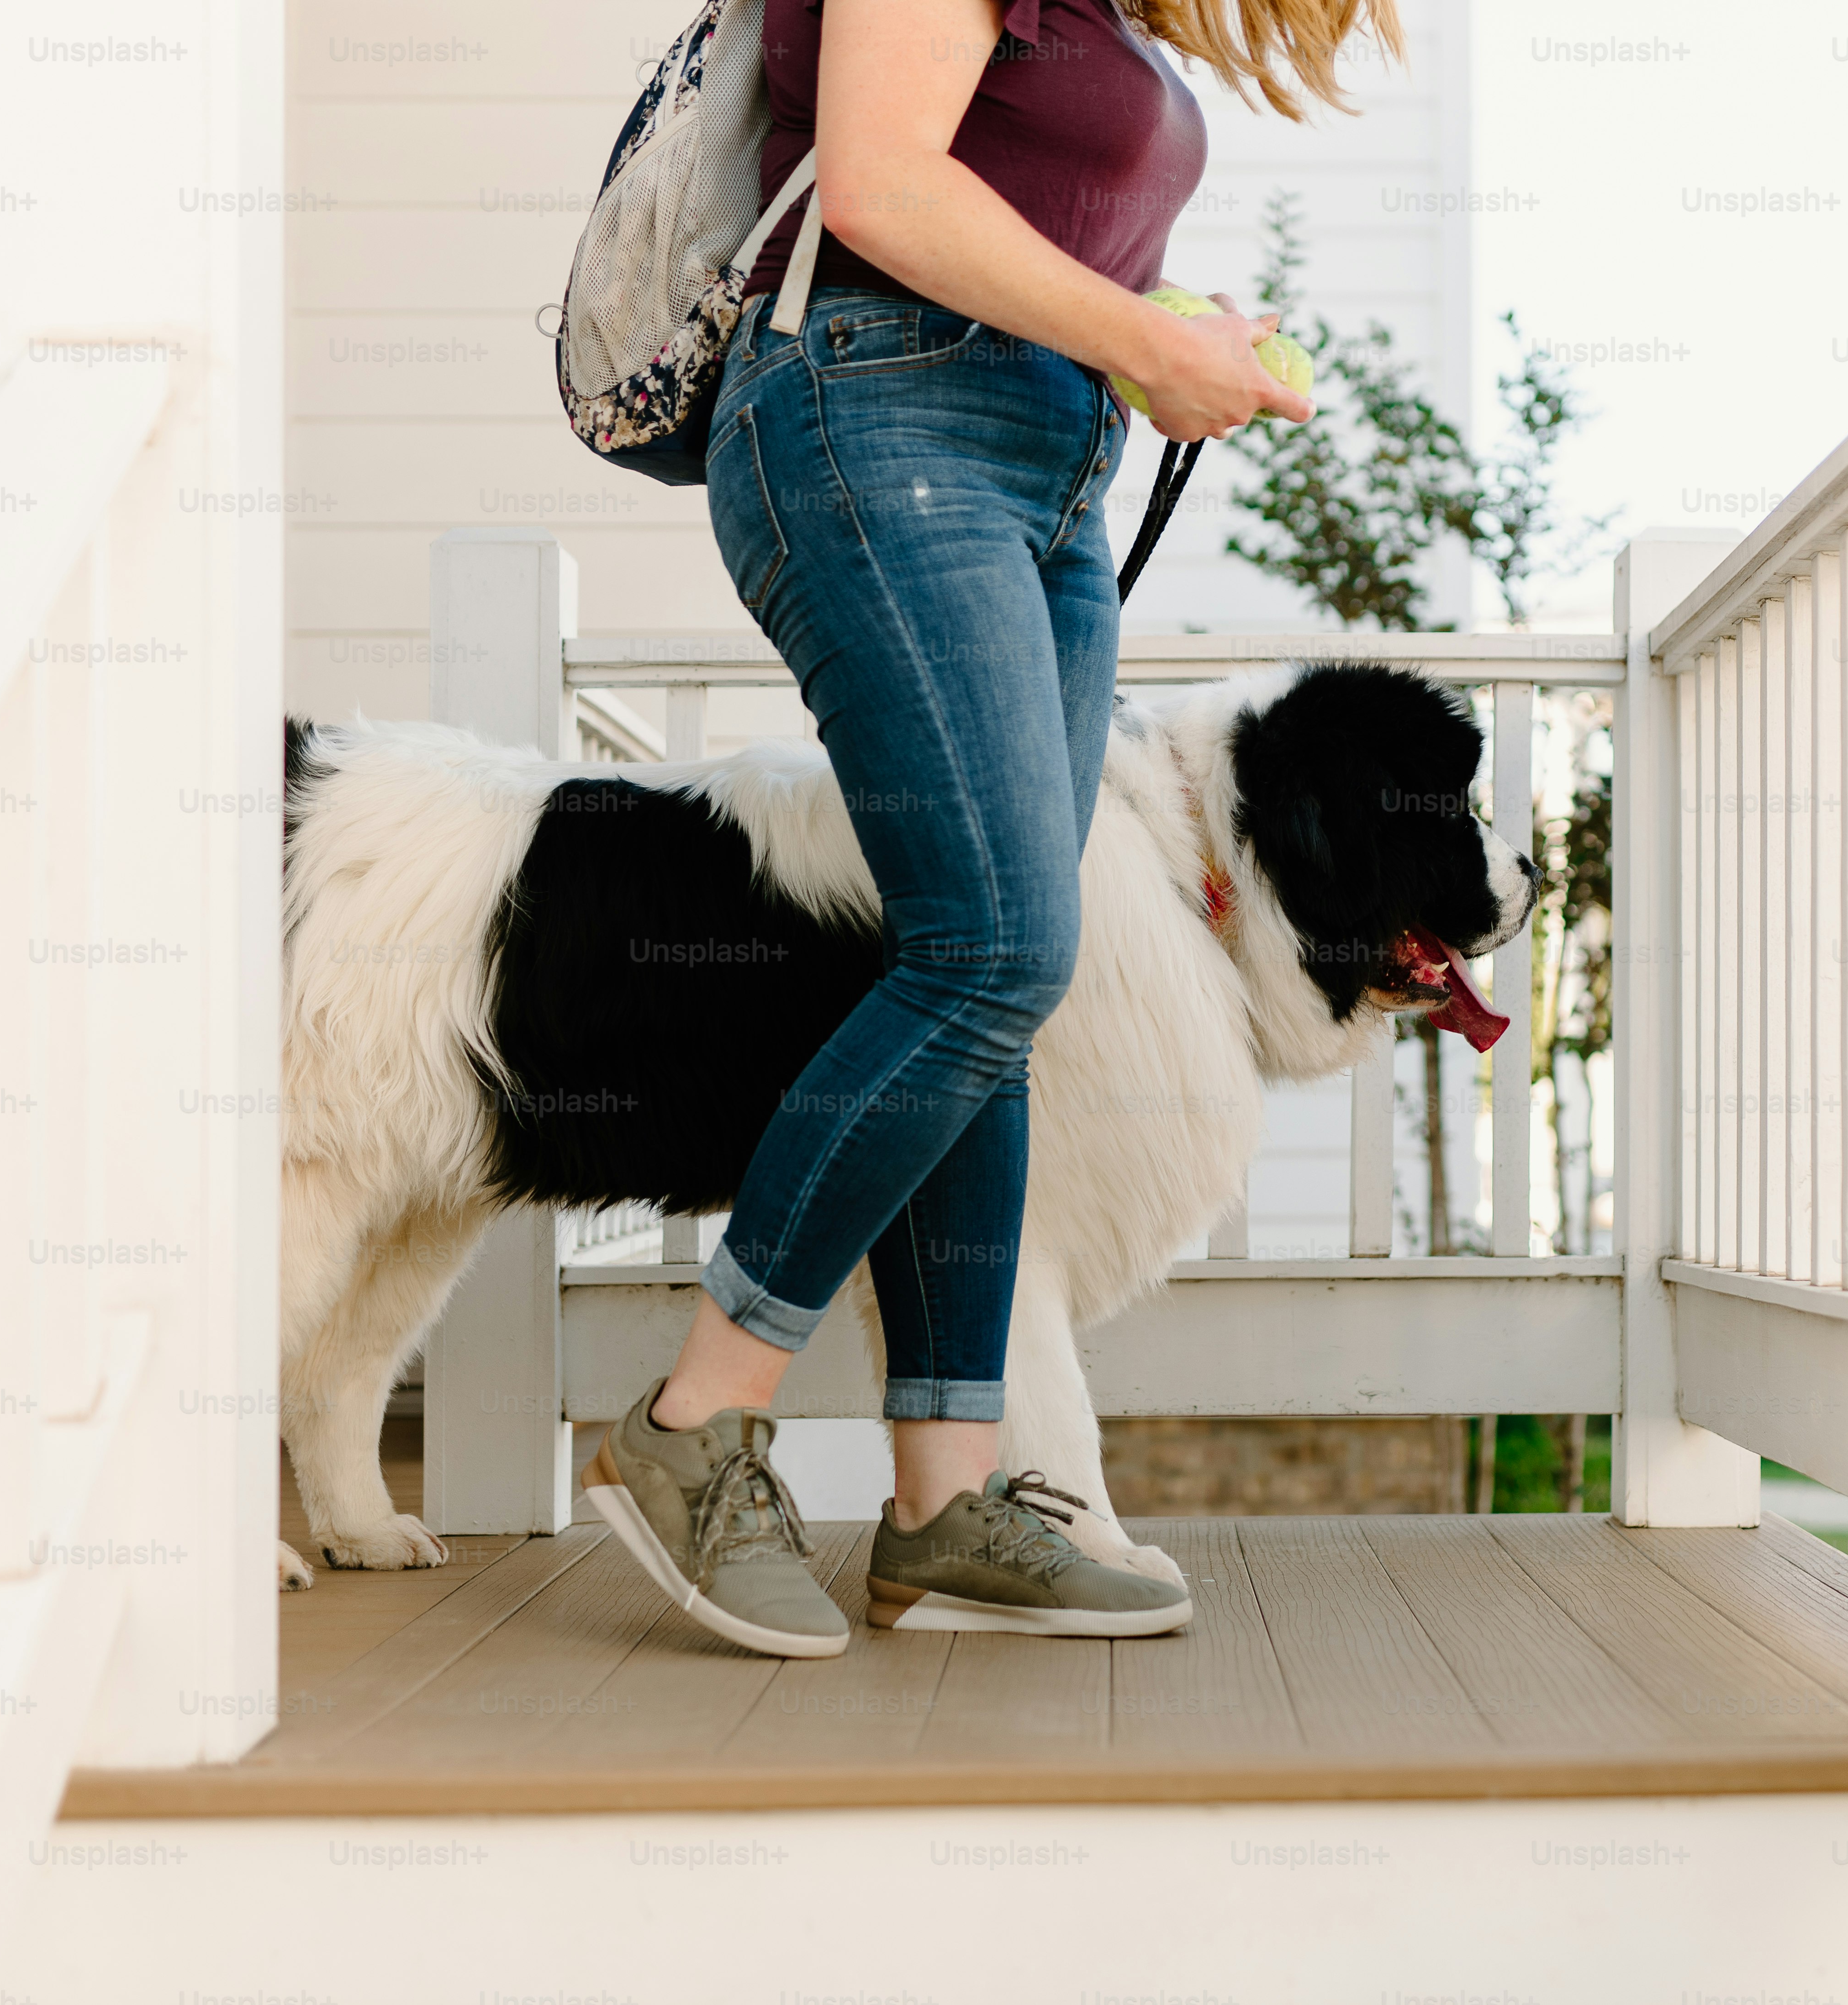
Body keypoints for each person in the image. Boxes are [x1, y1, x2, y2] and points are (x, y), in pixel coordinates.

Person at [588, 0, 1396, 1656]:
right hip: (886, 421)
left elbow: (993, 204)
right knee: (996, 952)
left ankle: (947, 1500)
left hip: (1043, 465)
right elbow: (880, 189)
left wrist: (1157, 336)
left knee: (1000, 977)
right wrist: (1151, 340)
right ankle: (692, 1426)